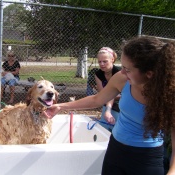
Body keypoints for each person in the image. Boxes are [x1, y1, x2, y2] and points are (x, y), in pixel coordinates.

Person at [44, 36, 175, 175]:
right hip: (115, 149)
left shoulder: (169, 95)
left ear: (149, 74)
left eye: (127, 69)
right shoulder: (122, 79)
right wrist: (61, 106)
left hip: (147, 158)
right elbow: (97, 99)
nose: (122, 72)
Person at [94, 47, 121, 131]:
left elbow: (108, 94)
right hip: (108, 102)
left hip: (122, 105)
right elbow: (104, 94)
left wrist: (108, 110)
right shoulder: (98, 74)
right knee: (104, 130)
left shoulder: (119, 73)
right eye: (99, 62)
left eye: (105, 61)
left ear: (112, 59)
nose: (102, 64)